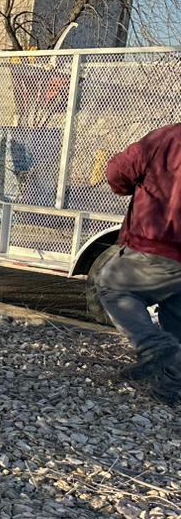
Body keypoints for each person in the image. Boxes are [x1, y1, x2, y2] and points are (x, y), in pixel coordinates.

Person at [94, 123, 181, 404]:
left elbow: (117, 171)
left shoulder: (168, 137)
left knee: (111, 286)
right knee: (176, 316)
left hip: (158, 243)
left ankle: (152, 347)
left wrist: (127, 186)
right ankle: (168, 389)